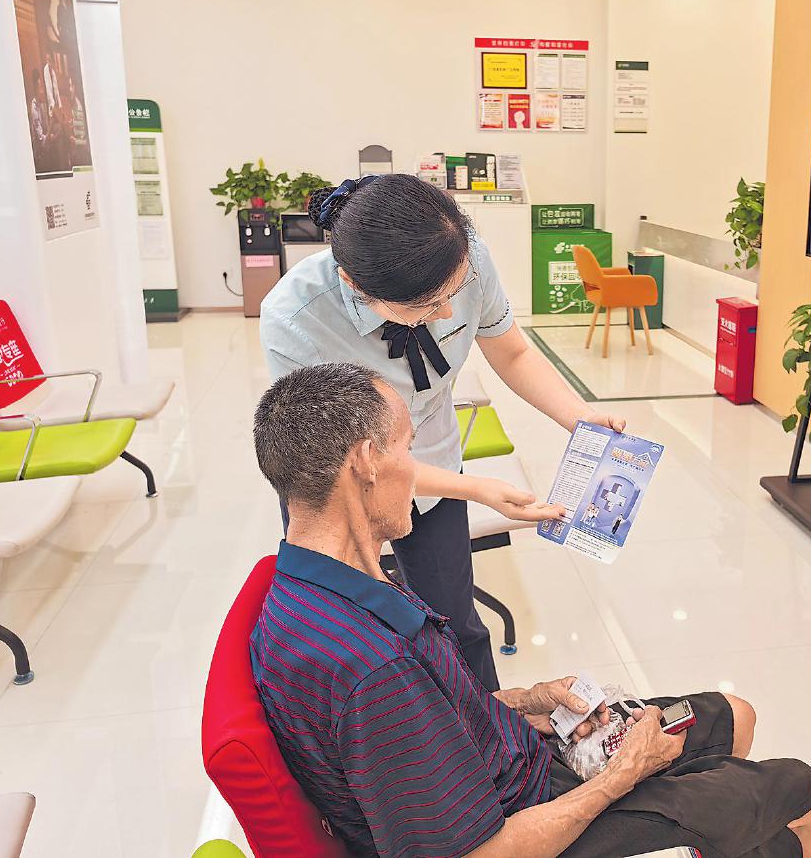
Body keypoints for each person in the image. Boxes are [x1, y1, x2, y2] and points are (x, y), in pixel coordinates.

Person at [249, 363, 811, 858]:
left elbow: (428, 725)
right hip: (523, 821)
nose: (420, 468)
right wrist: (622, 776)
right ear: (367, 462)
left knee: (735, 716)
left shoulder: (325, 582)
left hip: (513, 761)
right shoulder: (373, 669)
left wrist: (530, 701)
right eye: (408, 447)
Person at [260, 174, 626, 691]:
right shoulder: (296, 321)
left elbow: (512, 352)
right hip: (337, 487)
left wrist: (577, 417)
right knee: (352, 642)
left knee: (456, 624)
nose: (450, 312)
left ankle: (490, 728)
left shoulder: (461, 257)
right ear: (356, 286)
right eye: (429, 306)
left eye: (453, 294)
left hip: (433, 461)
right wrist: (478, 489)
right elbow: (353, 460)